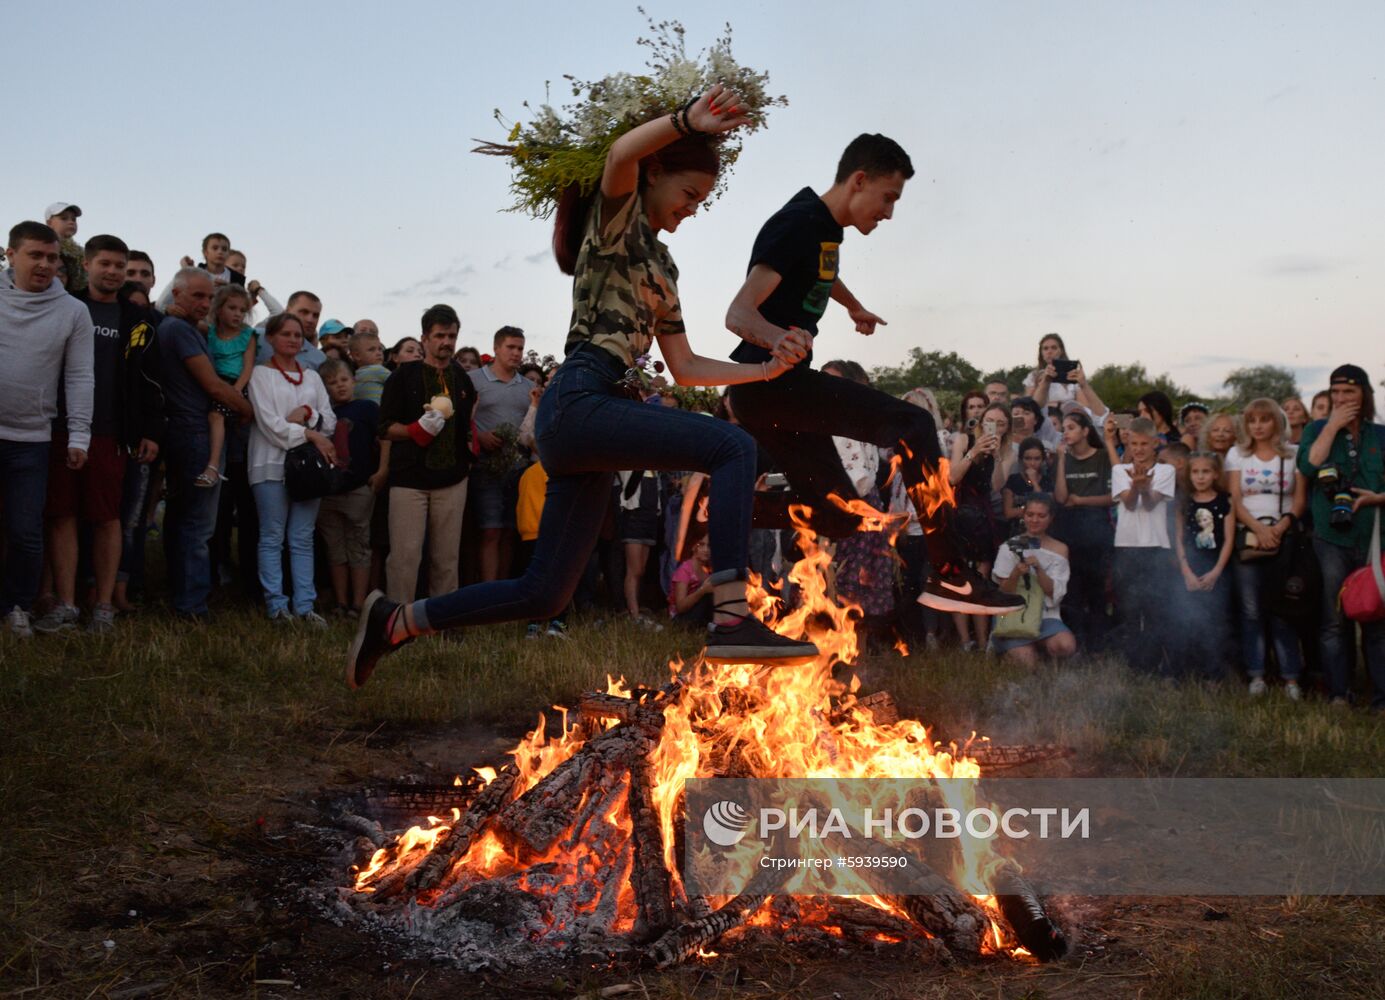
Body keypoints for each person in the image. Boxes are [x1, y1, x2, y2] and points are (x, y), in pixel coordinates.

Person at [348, 82, 820, 687]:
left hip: (599, 419)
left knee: (545, 593)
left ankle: (396, 622)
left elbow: (685, 367)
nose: (694, 208)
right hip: (581, 397)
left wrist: (763, 369)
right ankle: (730, 619)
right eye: (690, 193)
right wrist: (685, 120)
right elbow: (621, 156)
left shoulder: (664, 265)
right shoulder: (615, 220)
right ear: (655, 174)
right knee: (733, 446)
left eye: (703, 200)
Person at [723, 133, 1023, 617]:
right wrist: (776, 338)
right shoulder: (797, 224)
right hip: (769, 384)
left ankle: (725, 508)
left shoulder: (823, 226)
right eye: (888, 198)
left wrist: (852, 305)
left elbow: (818, 270)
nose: (888, 213)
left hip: (772, 393)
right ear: (859, 180)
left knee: (838, 516)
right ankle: (950, 575)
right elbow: (738, 314)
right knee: (915, 426)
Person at [37, 235, 163, 635]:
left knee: (107, 517)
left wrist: (148, 431)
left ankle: (104, 606)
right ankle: (67, 604)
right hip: (58, 427)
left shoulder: (138, 319)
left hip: (112, 432)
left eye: (119, 266)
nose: (112, 272)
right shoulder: (62, 306)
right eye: (104, 264)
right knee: (61, 515)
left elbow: (149, 380)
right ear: (87, 265)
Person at [1, 222, 94, 638]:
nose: (44, 264)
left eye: (52, 257)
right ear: (10, 254)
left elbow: (79, 377)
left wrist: (79, 436)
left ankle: (16, 606)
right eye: (35, 255)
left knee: (25, 531)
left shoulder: (73, 311)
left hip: (32, 438)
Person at [157, 267, 253, 619]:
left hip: (190, 431)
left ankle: (182, 594)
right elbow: (213, 386)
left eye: (209, 297)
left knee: (183, 520)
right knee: (198, 525)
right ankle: (192, 604)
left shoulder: (182, 327)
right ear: (176, 294)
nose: (204, 303)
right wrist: (245, 409)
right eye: (197, 295)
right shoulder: (179, 330)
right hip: (196, 433)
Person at [376, 305, 480, 605]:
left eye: (451, 335)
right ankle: (398, 623)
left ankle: (440, 622)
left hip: (452, 479)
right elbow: (383, 427)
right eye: (439, 335)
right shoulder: (402, 376)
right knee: (405, 557)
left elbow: (467, 426)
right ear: (424, 338)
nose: (446, 342)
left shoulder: (462, 378)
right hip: (409, 480)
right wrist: (414, 430)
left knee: (446, 558)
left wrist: (467, 461)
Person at [1298, 365, 1385, 709]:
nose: (1341, 398)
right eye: (1335, 393)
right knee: (1333, 620)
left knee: (1377, 619)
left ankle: (1381, 699)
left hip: (1374, 537)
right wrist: (1332, 425)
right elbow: (1309, 466)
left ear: (1364, 393)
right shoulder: (1318, 429)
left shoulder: (1380, 435)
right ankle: (1338, 694)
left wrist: (1376, 498)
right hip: (1330, 538)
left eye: (1348, 392)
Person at [246, 313, 336, 623]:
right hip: (270, 463)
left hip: (308, 467)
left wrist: (308, 413)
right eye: (286, 333)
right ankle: (276, 605)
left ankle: (305, 606)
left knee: (302, 536)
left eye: (298, 335)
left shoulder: (311, 376)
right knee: (272, 536)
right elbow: (270, 424)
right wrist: (309, 432)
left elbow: (329, 418)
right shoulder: (260, 375)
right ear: (270, 338)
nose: (294, 339)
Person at [1226, 399, 1306, 698]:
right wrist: (1259, 529)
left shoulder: (1294, 455)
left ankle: (1290, 677)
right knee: (1250, 611)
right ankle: (1256, 674)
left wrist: (1278, 528)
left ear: (1276, 422)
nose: (1258, 426)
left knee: (1282, 609)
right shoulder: (1237, 455)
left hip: (1282, 536)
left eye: (1264, 419)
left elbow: (1299, 500)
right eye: (1252, 420)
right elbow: (1234, 497)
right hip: (1248, 536)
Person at [1108, 416, 1177, 673]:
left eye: (1143, 444)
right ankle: (1135, 665)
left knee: (1155, 608)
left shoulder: (1165, 471)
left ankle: (1157, 663)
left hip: (1156, 547)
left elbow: (1149, 504)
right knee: (1130, 607)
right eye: (1133, 443)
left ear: (1155, 444)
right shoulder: (1119, 470)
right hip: (1127, 546)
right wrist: (1137, 487)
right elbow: (1127, 503)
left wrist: (1143, 488)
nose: (1138, 449)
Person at [318, 359, 383, 617]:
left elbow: (383, 440)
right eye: (332, 383)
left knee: (359, 546)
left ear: (354, 381)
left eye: (344, 380)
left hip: (359, 488)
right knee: (335, 547)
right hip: (329, 491)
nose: (340, 386)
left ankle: (358, 603)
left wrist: (382, 471)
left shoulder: (366, 408)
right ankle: (341, 602)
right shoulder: (324, 414)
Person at [469, 326, 533, 581]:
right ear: (496, 348)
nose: (516, 353)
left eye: (520, 348)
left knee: (510, 531)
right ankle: (487, 594)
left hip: (519, 466)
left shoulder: (528, 386)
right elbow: (461, 419)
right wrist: (479, 437)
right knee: (489, 530)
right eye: (511, 347)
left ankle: (503, 596)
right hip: (486, 465)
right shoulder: (474, 380)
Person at [947, 397, 1010, 649]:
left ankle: (983, 642)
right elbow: (953, 477)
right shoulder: (964, 440)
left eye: (1001, 423)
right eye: (990, 421)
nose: (995, 426)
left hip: (985, 518)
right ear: (982, 421)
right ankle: (965, 642)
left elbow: (997, 485)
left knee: (980, 581)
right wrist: (975, 451)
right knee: (958, 580)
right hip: (961, 514)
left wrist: (996, 456)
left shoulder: (1004, 448)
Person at [1053, 410, 1114, 649]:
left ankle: (1098, 647)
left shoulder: (1101, 458)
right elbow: (1060, 497)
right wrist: (1060, 460)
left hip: (1098, 531)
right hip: (1070, 533)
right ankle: (1077, 644)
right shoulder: (1064, 457)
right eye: (1064, 428)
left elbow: (1113, 497)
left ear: (1085, 431)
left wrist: (1081, 501)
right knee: (1073, 593)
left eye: (1071, 428)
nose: (1065, 432)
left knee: (1098, 593)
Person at [991, 493, 1076, 663]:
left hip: (1045, 615)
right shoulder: (1009, 547)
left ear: (1050, 518)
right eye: (1030, 515)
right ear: (1024, 516)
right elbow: (1003, 592)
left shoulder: (1060, 549)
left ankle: (1044, 649)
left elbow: (1054, 592)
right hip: (1014, 616)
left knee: (1065, 646)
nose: (1035, 520)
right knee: (1028, 661)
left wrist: (1039, 569)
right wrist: (1015, 573)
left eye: (1041, 516)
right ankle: (1012, 652)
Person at [1173, 451, 1235, 681]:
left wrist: (1217, 571)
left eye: (1206, 471)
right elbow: (1178, 539)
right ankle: (1188, 671)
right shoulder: (1183, 503)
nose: (1200, 477)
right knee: (1187, 619)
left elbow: (1228, 539)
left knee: (1215, 621)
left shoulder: (1225, 500)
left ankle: (1214, 674)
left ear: (1215, 474)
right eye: (1196, 472)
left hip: (1216, 569)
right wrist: (1186, 571)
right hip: (1190, 568)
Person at [201, 285, 257, 487]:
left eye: (242, 310)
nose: (238, 314)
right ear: (218, 309)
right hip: (214, 381)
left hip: (236, 384)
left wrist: (236, 390)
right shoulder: (210, 331)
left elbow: (248, 366)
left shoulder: (247, 335)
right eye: (232, 308)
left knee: (216, 416)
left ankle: (213, 467)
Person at [255, 291, 327, 371]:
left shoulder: (319, 358)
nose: (310, 320)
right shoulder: (257, 337)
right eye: (304, 312)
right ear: (287, 311)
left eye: (315, 315)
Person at [1002, 435, 1053, 528]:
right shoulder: (1013, 480)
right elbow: (1008, 513)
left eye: (1037, 459)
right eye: (1028, 458)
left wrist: (1034, 482)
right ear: (1021, 459)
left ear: (1042, 460)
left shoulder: (1047, 481)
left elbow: (1045, 508)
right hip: (1016, 528)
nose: (1032, 463)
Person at [669, 535, 714, 626]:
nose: (706, 550)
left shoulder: (708, 569)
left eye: (709, 546)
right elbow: (680, 607)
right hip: (681, 619)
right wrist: (702, 591)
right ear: (694, 546)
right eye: (701, 545)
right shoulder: (685, 569)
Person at [44, 202, 85, 293]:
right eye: (64, 218)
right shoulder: (44, 246)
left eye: (73, 219)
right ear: (49, 223)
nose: (71, 222)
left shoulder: (80, 251)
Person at [350, 330, 391, 403]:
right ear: (357, 355)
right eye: (371, 350)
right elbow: (398, 381)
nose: (378, 353)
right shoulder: (377, 370)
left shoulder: (352, 376)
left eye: (380, 349)